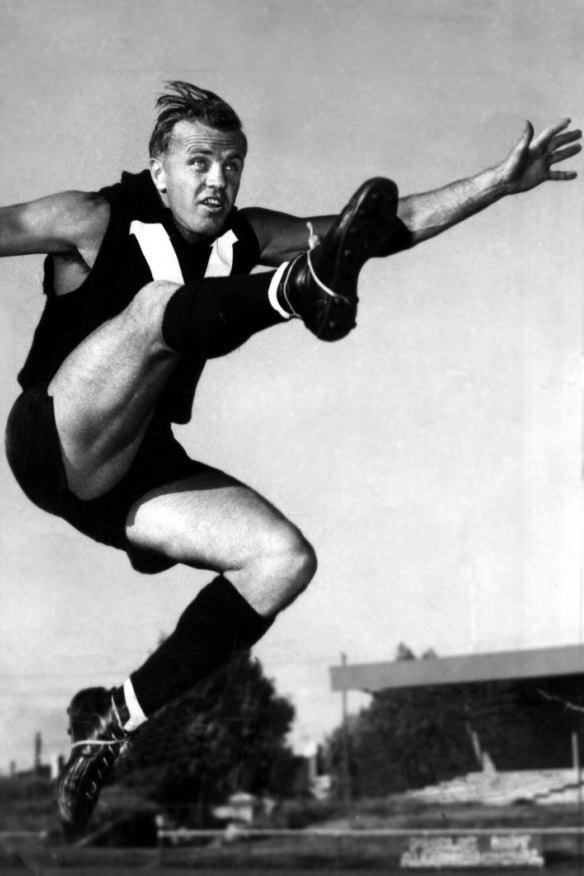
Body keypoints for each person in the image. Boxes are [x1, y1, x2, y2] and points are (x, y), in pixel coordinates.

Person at [1, 81, 580, 838]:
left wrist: (498, 184)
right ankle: (292, 292)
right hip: (57, 437)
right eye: (200, 162)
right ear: (159, 168)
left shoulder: (242, 234)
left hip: (134, 477)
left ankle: (115, 722)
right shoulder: (93, 217)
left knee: (281, 558)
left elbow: (382, 224)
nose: (218, 181)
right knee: (153, 308)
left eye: (233, 164)